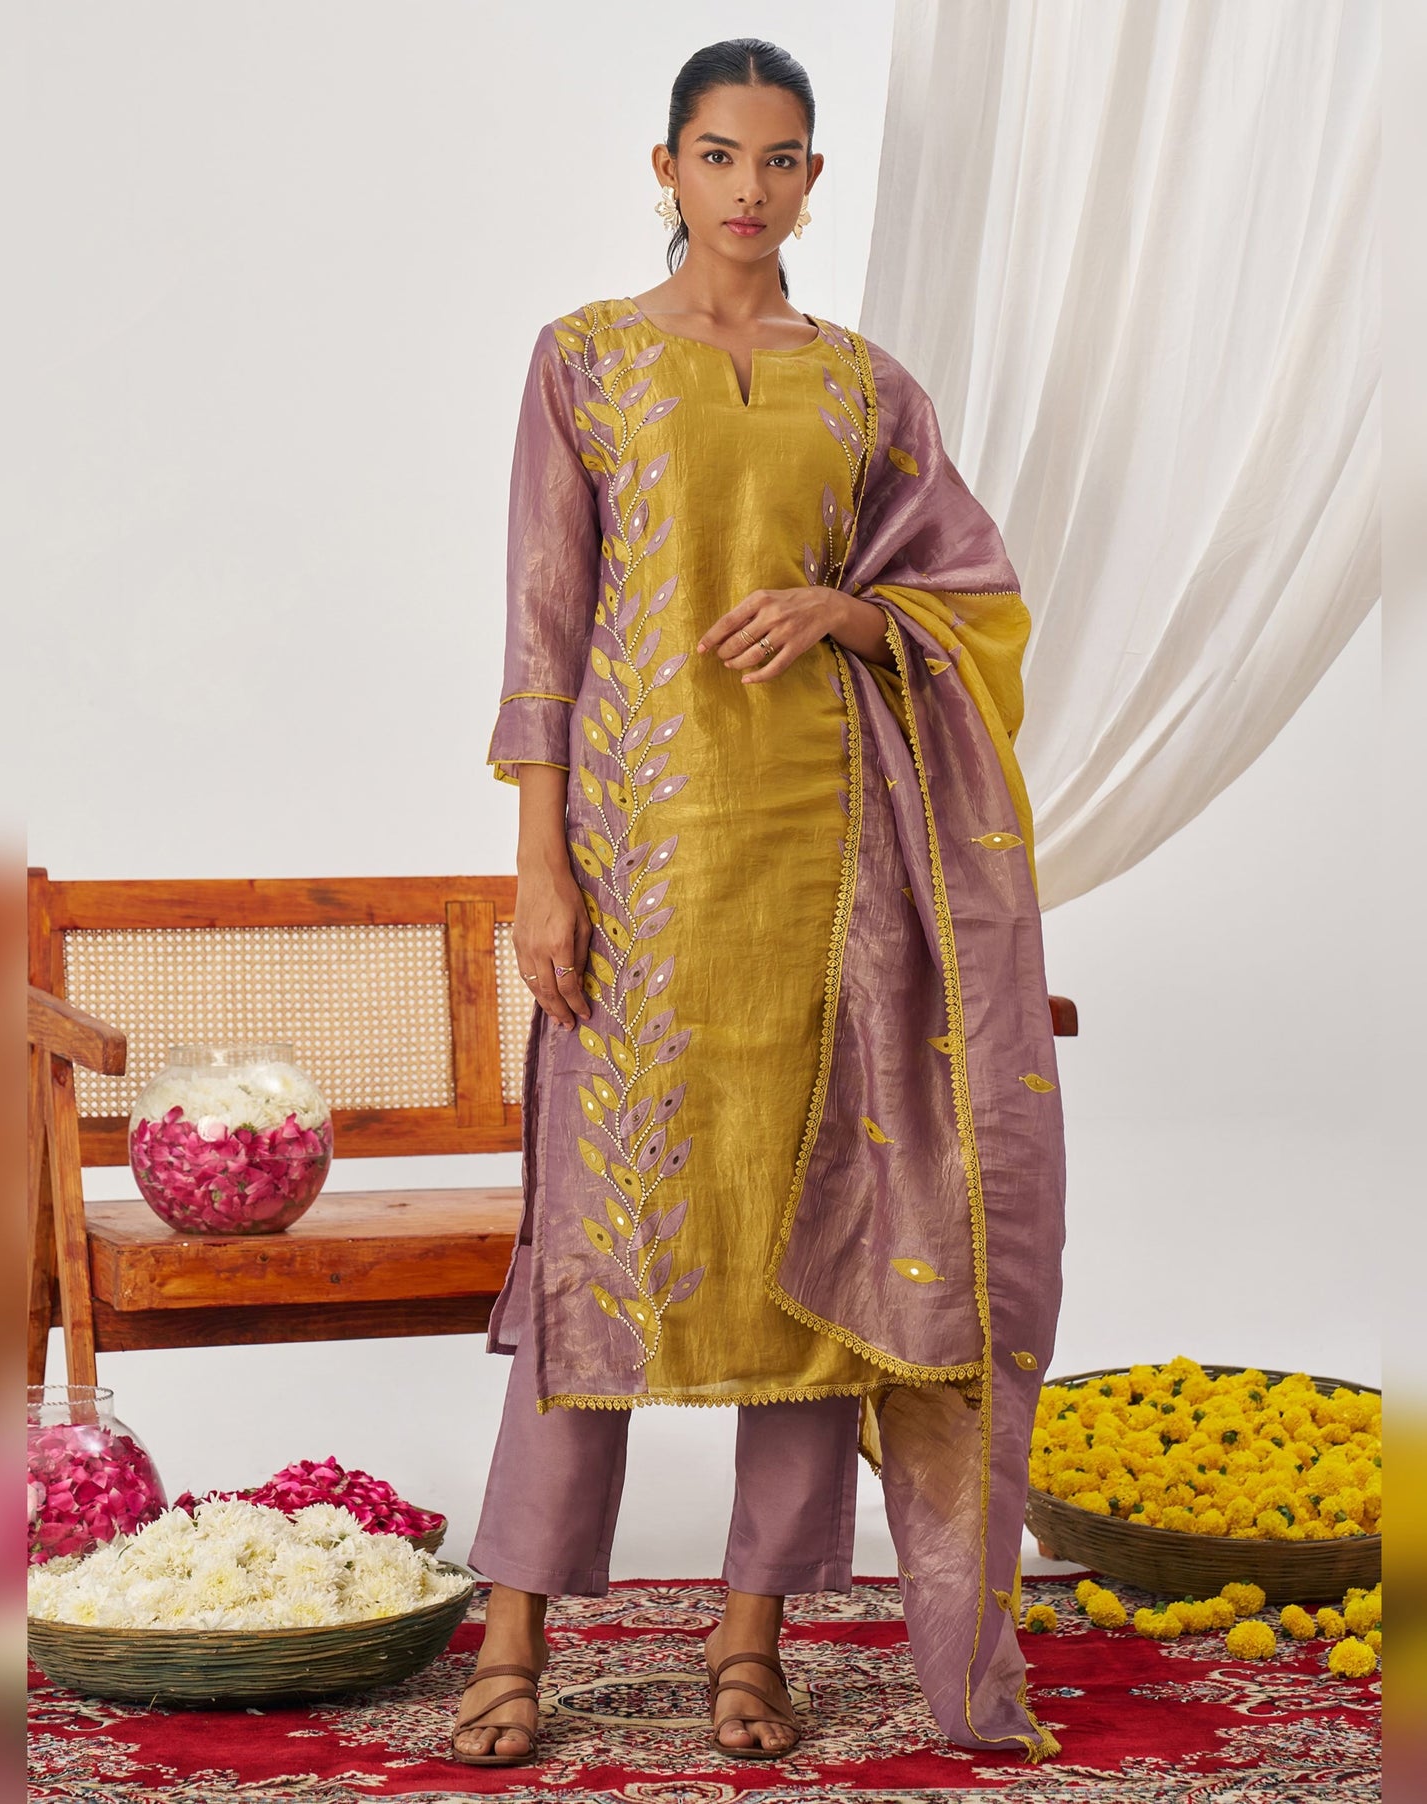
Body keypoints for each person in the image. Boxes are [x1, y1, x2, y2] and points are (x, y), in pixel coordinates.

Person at [452, 36, 1067, 1770]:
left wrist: (845, 614)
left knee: (809, 1262)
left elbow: (973, 602)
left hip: (827, 875)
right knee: (602, 1256)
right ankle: (513, 1631)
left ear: (812, 179)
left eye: (778, 159)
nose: (747, 188)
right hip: (641, 871)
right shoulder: (584, 361)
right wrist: (541, 866)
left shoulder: (864, 389)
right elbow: (543, 625)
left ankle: (751, 1639)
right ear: (666, 169)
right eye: (717, 155)